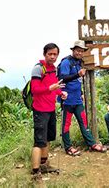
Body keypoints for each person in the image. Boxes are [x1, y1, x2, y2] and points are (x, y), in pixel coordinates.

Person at [58, 40, 106, 155]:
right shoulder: (66, 62)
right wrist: (77, 74)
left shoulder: (79, 62)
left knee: (83, 123)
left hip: (77, 100)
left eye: (81, 51)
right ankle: (68, 148)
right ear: (73, 50)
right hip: (67, 100)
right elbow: (62, 78)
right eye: (77, 50)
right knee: (66, 125)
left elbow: (77, 81)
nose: (79, 53)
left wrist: (80, 93)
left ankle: (92, 144)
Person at [30, 43, 67, 180]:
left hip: (51, 108)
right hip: (40, 110)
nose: (52, 56)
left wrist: (60, 92)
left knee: (48, 138)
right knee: (39, 141)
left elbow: (54, 86)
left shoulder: (53, 69)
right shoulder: (38, 69)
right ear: (44, 54)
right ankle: (35, 171)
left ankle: (44, 165)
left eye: (55, 54)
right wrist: (50, 89)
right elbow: (35, 89)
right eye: (50, 54)